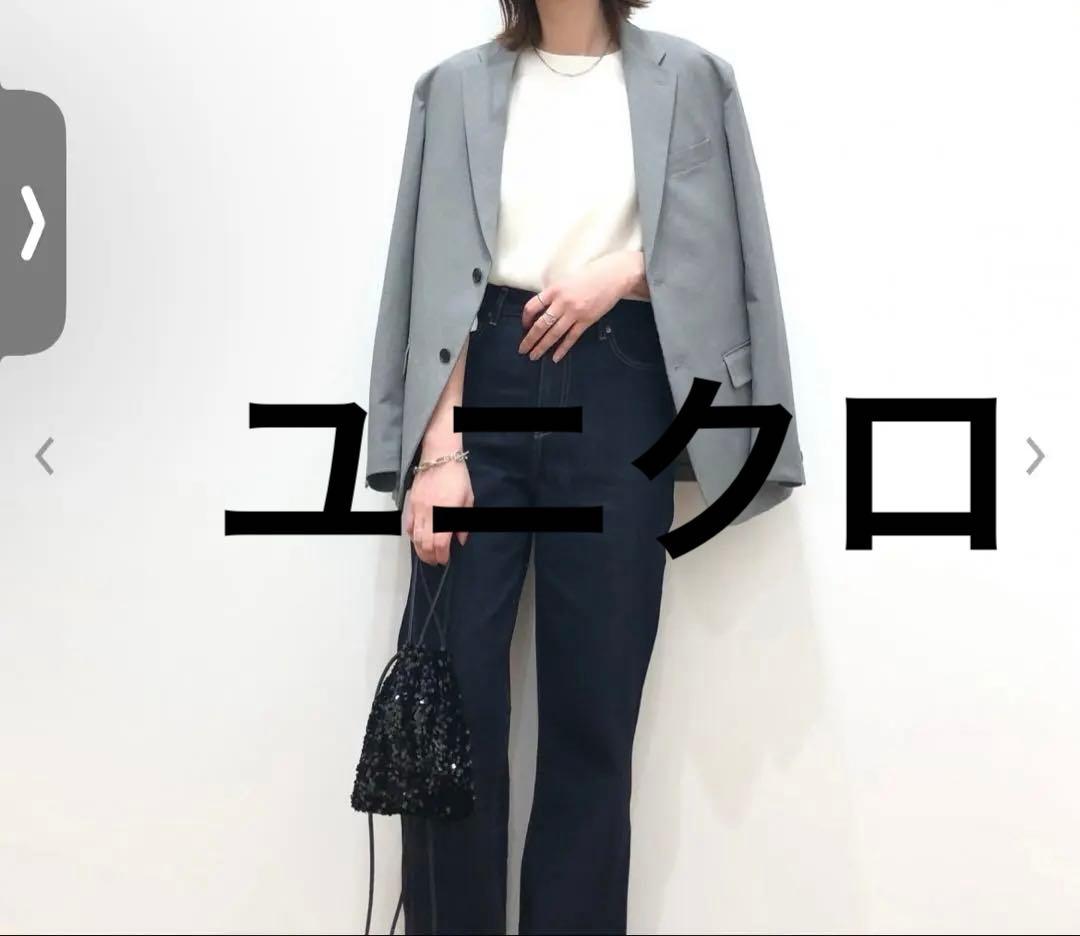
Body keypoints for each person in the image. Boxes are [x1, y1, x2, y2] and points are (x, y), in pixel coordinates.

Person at [364, 1, 805, 932]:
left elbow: (727, 244)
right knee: (453, 707)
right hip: (479, 388)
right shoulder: (453, 87)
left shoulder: (692, 77)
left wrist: (625, 271)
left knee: (594, 716)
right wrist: (439, 449)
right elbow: (430, 270)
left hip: (621, 389)